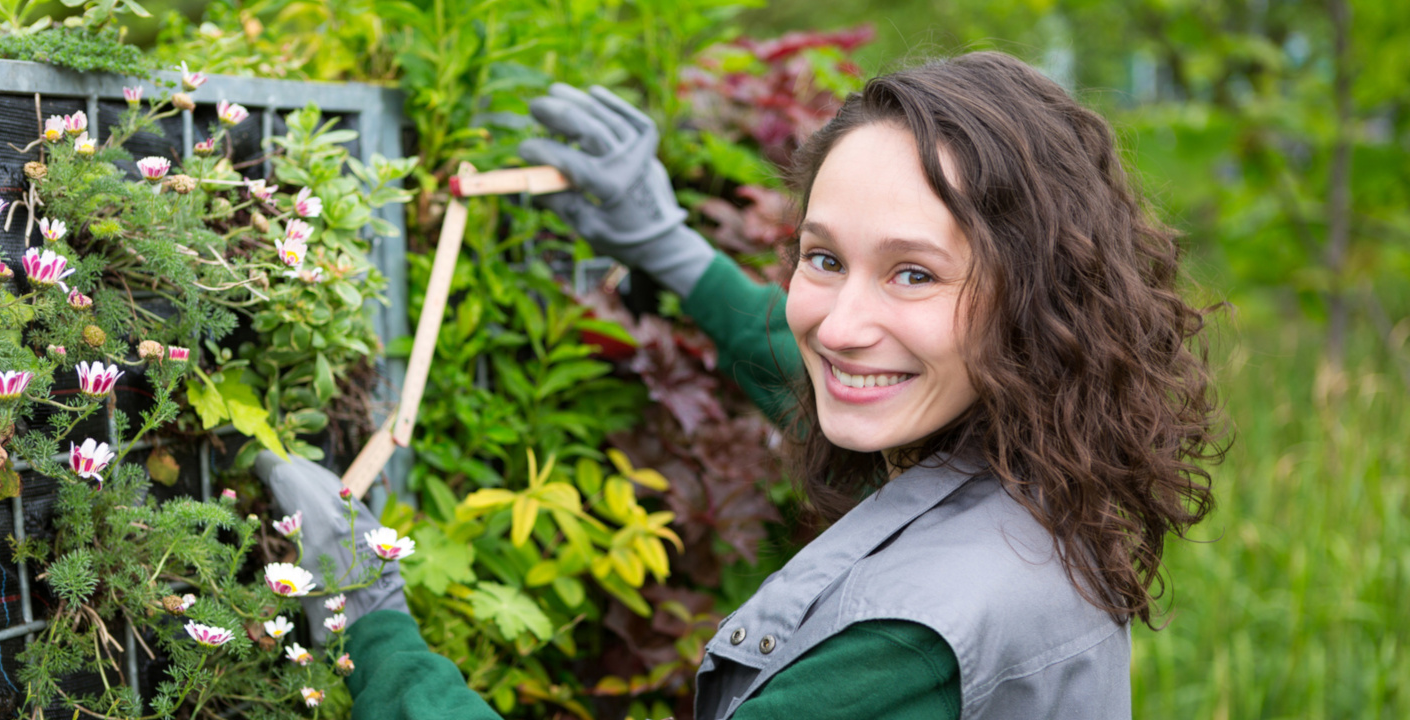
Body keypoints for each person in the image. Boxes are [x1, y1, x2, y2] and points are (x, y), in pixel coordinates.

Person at [256, 50, 1224, 719]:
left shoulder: (901, 650)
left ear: (1036, 297)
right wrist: (670, 252)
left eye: (913, 273)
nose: (838, 325)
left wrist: (366, 615)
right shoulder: (1035, 465)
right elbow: (836, 365)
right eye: (820, 257)